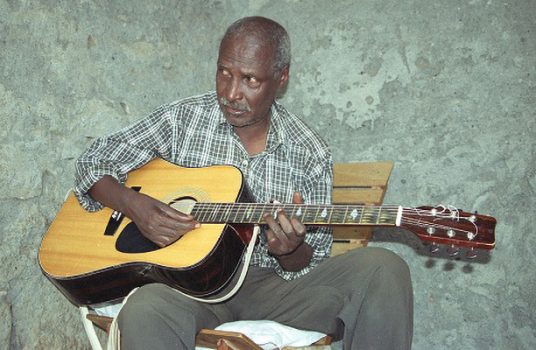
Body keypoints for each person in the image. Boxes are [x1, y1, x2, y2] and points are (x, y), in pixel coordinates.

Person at [74, 16, 413, 349]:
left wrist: (291, 251)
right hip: (190, 288)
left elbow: (313, 261)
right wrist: (134, 205)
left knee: (384, 268)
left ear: (281, 78)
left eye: (250, 80)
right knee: (145, 310)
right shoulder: (184, 120)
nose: (231, 93)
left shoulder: (308, 149)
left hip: (274, 291)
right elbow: (93, 159)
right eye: (224, 72)